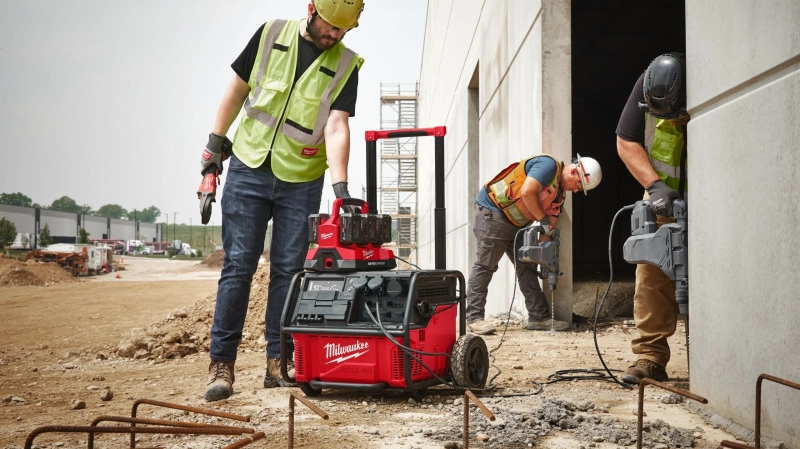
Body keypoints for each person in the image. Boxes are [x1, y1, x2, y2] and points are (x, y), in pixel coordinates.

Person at [201, 0, 365, 401]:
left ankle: (279, 363)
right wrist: (213, 150)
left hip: (302, 179)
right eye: (331, 27)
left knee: (289, 272)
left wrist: (340, 186)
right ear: (311, 10)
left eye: (344, 30)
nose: (336, 35)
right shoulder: (271, 33)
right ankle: (221, 365)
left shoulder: (347, 64)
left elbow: (337, 125)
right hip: (248, 166)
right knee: (239, 266)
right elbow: (237, 91)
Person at [465, 154, 602, 335]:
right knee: (486, 265)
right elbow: (527, 192)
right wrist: (543, 220)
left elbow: (548, 229)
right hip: (494, 212)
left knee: (527, 266)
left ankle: (538, 317)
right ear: (576, 171)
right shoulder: (548, 166)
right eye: (578, 185)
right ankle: (474, 318)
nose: (576, 190)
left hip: (517, 224)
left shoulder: (559, 196)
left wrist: (545, 258)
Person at [615, 53, 688, 384]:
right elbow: (625, 140)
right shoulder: (646, 86)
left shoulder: (706, 77)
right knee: (653, 268)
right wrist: (654, 186)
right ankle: (651, 356)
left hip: (716, 195)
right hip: (664, 195)